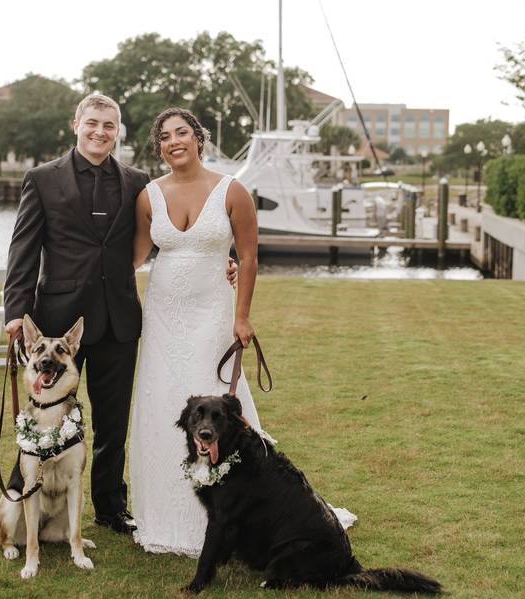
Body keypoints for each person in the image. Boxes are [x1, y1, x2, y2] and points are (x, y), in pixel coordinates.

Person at [1, 95, 236, 534]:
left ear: (118, 131)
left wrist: (224, 260)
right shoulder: (42, 179)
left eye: (109, 125)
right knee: (45, 414)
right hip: (58, 323)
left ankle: (111, 507)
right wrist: (16, 311)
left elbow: (170, 236)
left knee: (113, 422)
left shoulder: (138, 183)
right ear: (76, 124)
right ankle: (24, 495)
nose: (100, 132)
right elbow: (23, 249)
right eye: (92, 123)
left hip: (119, 321)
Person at [128, 108, 357, 556]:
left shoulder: (232, 190)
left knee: (218, 410)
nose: (174, 141)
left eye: (182, 133)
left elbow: (248, 257)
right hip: (162, 316)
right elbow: (134, 257)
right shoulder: (148, 196)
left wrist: (242, 315)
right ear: (159, 147)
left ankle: (236, 512)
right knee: (160, 404)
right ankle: (164, 514)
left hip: (213, 313)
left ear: (199, 138)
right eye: (165, 136)